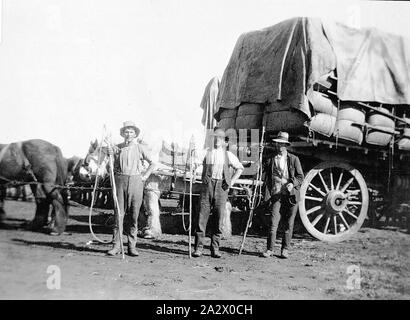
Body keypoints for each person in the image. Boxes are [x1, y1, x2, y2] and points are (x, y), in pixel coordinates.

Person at [107, 121, 156, 256]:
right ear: (123, 134)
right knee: (119, 214)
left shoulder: (140, 148)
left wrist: (144, 176)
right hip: (120, 180)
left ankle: (131, 246)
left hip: (136, 181)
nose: (128, 134)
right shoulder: (117, 148)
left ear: (135, 134)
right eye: (126, 132)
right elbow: (108, 168)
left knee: (134, 215)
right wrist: (110, 155)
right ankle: (116, 245)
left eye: (131, 132)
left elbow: (153, 163)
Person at [193, 128, 244, 258]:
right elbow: (194, 162)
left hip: (222, 187)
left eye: (220, 138)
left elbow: (240, 168)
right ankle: (198, 248)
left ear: (224, 141)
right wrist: (193, 167)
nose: (217, 140)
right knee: (201, 218)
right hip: (207, 186)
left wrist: (231, 182)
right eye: (215, 138)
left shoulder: (228, 155)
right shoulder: (207, 153)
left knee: (219, 218)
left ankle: (215, 249)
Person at [262, 131, 304, 259]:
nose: (280, 147)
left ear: (286, 145)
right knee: (273, 222)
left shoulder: (294, 159)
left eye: (282, 144)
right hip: (276, 195)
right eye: (278, 144)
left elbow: (301, 177)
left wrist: (293, 183)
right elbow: (263, 173)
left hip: (291, 196)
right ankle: (270, 249)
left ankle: (285, 250)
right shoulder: (271, 159)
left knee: (288, 224)